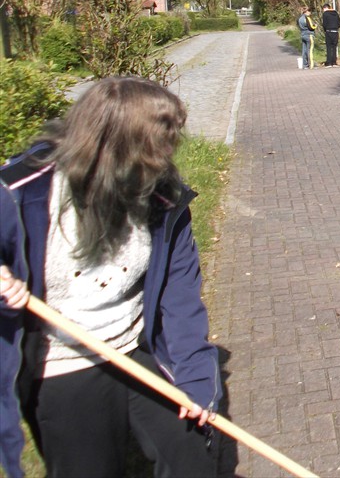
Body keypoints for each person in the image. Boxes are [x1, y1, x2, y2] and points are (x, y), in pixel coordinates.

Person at [0, 77, 222, 478]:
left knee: (191, 461)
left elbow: (181, 298)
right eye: (158, 145)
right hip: (61, 364)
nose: (167, 158)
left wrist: (195, 378)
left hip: (133, 348)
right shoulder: (23, 191)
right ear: (114, 147)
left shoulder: (165, 201)